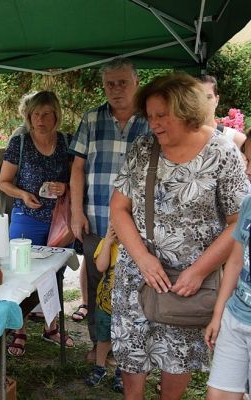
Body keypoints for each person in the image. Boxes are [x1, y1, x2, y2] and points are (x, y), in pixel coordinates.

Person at [109, 72, 249, 400]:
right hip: (137, 275)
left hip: (190, 282)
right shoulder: (143, 148)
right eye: (151, 116)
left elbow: (238, 222)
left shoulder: (223, 153)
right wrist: (143, 259)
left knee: (178, 355)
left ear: (187, 113)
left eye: (162, 116)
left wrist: (199, 271)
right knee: (132, 352)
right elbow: (119, 209)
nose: (154, 124)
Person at [69, 58, 149, 362]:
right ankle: (98, 343)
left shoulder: (150, 119)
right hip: (96, 218)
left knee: (136, 285)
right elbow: (77, 168)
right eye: (110, 84)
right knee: (96, 283)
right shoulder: (91, 119)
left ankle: (130, 346)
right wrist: (77, 212)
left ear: (136, 82)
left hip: (140, 224)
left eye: (123, 82)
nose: (116, 89)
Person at [0, 91, 74, 356]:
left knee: (56, 273)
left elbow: (79, 178)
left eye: (46, 113)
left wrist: (65, 186)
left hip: (59, 221)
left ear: (56, 115)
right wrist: (23, 194)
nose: (40, 119)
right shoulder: (20, 142)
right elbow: (3, 182)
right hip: (26, 218)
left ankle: (51, 326)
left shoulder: (67, 142)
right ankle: (20, 330)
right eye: (35, 114)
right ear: (28, 116)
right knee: (21, 273)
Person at [205, 194, 251, 400]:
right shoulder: (249, 203)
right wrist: (218, 314)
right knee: (219, 395)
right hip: (235, 316)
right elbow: (235, 261)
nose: (248, 171)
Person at [84, 223, 123, 393]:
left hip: (129, 309)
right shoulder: (107, 244)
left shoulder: (139, 246)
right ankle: (100, 367)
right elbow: (100, 266)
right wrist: (107, 242)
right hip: (105, 305)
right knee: (103, 337)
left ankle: (122, 372)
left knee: (124, 340)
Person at [198, 74, 246, 148]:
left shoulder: (237, 140)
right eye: (197, 98)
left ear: (216, 100)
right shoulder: (180, 141)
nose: (203, 103)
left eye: (208, 97)